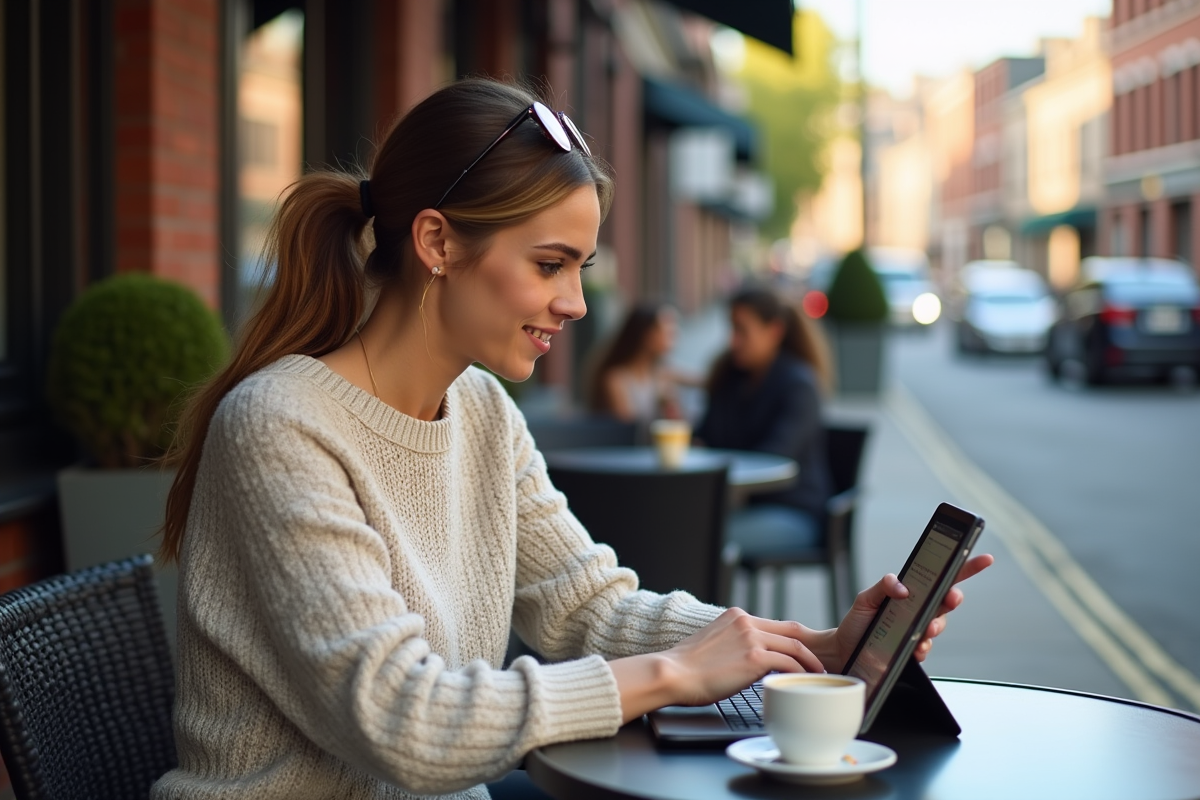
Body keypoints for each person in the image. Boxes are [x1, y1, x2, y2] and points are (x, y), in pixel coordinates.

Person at [152, 80, 991, 800]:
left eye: (579, 269)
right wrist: (671, 675)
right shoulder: (281, 424)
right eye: (549, 264)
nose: (577, 304)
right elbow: (402, 720)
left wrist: (809, 650)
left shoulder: (479, 409)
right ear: (437, 242)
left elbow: (586, 607)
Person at [696, 287, 835, 555]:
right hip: (737, 506)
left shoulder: (799, 386)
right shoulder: (730, 376)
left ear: (774, 331)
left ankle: (705, 599)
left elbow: (774, 459)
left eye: (742, 330)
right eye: (731, 329)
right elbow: (707, 435)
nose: (733, 341)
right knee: (674, 526)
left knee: (697, 537)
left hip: (794, 512)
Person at [587, 302, 683, 423]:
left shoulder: (661, 372)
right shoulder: (616, 378)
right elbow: (629, 426)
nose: (674, 337)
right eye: (667, 331)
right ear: (646, 334)